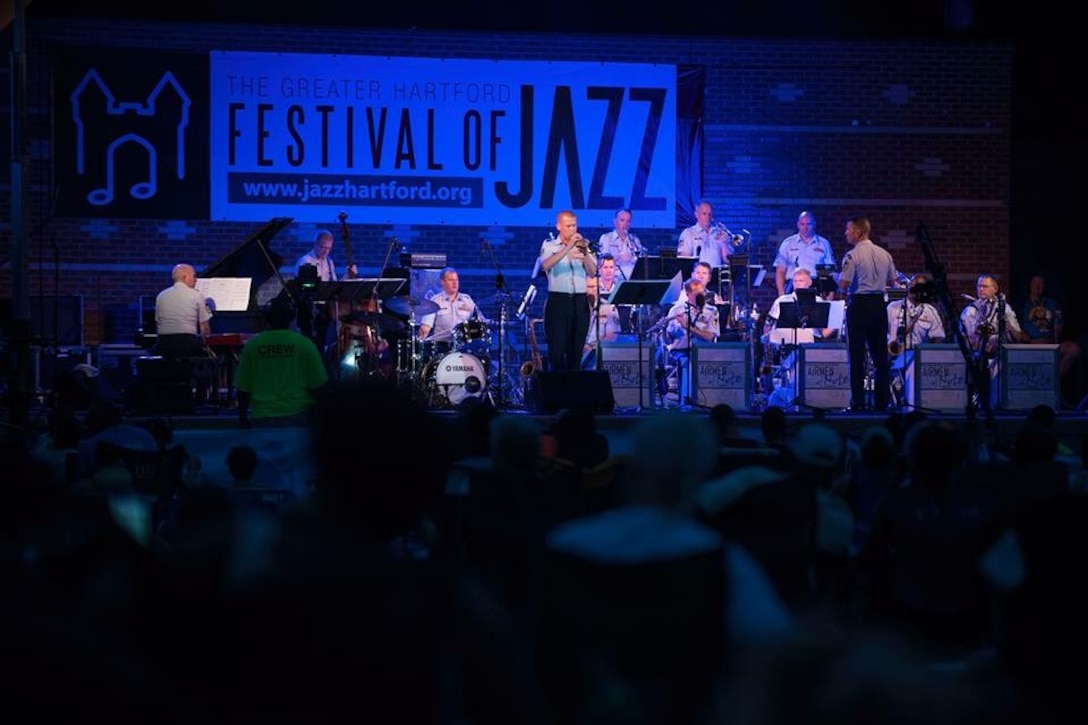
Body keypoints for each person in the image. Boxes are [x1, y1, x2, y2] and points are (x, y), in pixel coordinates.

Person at [235, 295, 330, 428]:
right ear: (291, 318)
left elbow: (243, 388)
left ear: (267, 319)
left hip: (263, 416)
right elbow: (318, 386)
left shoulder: (253, 346)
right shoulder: (304, 345)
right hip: (298, 414)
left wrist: (242, 418)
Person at [839, 216, 898, 412]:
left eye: (848, 230)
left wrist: (834, 277)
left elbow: (844, 284)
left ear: (858, 232)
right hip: (879, 306)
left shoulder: (852, 256)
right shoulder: (885, 254)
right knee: (880, 356)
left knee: (856, 357)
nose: (845, 233)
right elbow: (892, 282)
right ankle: (882, 403)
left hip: (860, 305)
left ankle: (858, 402)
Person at [762, 268, 837, 409]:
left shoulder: (818, 301)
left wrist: (837, 320)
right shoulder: (782, 301)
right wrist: (769, 339)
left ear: (809, 283)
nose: (797, 284)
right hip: (787, 343)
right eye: (795, 281)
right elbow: (768, 326)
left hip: (811, 345)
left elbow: (824, 333)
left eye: (801, 281)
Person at [540, 209, 597, 371]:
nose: (572, 229)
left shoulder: (584, 245)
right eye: (568, 226)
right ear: (559, 226)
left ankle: (574, 392)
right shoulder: (550, 245)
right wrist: (568, 248)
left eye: (574, 225)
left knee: (576, 351)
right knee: (557, 352)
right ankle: (557, 392)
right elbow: (545, 265)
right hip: (559, 301)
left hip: (580, 301)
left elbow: (593, 271)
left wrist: (585, 253)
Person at [960, 274, 1025, 413]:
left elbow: (1018, 336)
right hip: (976, 357)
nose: (981, 289)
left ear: (995, 289)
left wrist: (1010, 328)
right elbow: (961, 337)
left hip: (998, 358)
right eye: (979, 286)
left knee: (996, 399)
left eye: (985, 286)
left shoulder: (1004, 308)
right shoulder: (970, 310)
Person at [886, 272, 946, 409]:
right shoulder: (892, 308)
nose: (913, 289)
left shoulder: (930, 311)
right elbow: (883, 333)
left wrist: (928, 357)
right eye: (912, 285)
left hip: (918, 360)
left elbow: (938, 337)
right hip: (893, 357)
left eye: (918, 287)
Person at [660, 277, 720, 405]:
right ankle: (685, 400)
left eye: (702, 292)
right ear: (688, 294)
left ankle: (706, 400)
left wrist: (687, 326)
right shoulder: (676, 310)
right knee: (686, 360)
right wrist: (664, 329)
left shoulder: (711, 311)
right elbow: (668, 340)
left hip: (703, 351)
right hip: (680, 351)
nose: (701, 296)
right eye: (697, 294)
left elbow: (710, 337)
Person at [295, 229, 356, 352]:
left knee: (324, 341)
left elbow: (333, 285)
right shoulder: (305, 261)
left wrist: (347, 276)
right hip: (311, 309)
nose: (325, 251)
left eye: (329, 248)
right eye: (323, 247)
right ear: (315, 244)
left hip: (325, 309)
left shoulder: (329, 261)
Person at [1020, 273, 1082, 383]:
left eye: (1041, 283)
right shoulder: (1021, 303)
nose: (1037, 286)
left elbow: (1059, 325)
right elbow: (1014, 327)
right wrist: (1030, 340)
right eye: (1035, 283)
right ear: (1030, 284)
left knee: (1074, 349)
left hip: (1050, 342)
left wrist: (1053, 339)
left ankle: (1052, 378)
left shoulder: (1052, 303)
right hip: (1030, 343)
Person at [418, 267, 489, 356]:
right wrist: (421, 338)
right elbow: (425, 328)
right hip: (441, 347)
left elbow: (481, 321)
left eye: (456, 280)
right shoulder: (435, 301)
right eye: (451, 280)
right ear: (442, 282)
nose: (455, 283)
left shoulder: (467, 300)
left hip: (464, 348)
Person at [153, 263, 212, 358]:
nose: (196, 279)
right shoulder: (197, 295)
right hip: (187, 345)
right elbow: (204, 328)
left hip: (163, 345)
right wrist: (208, 348)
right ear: (186, 277)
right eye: (194, 276)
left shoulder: (161, 296)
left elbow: (158, 324)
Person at [773, 210, 837, 297]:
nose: (805, 228)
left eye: (808, 224)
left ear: (814, 224)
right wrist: (781, 293)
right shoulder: (788, 243)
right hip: (793, 285)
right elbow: (780, 270)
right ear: (798, 225)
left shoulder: (823, 244)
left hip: (817, 286)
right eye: (802, 224)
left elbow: (830, 271)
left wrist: (831, 293)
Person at [677, 199, 735, 268]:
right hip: (698, 276)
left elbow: (728, 261)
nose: (707, 217)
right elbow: (683, 260)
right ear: (696, 214)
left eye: (710, 214)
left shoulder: (719, 233)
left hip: (716, 275)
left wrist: (724, 244)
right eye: (704, 214)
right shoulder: (688, 233)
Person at [582, 271, 622, 369]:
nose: (591, 290)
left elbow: (612, 336)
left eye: (594, 287)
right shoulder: (574, 307)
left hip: (598, 354)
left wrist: (592, 348)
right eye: (588, 287)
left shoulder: (608, 307)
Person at [597, 207, 645, 281]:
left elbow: (642, 260)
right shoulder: (606, 238)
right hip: (613, 280)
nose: (625, 224)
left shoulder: (634, 239)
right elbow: (602, 262)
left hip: (633, 279)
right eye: (622, 220)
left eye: (628, 221)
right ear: (615, 222)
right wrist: (618, 257)